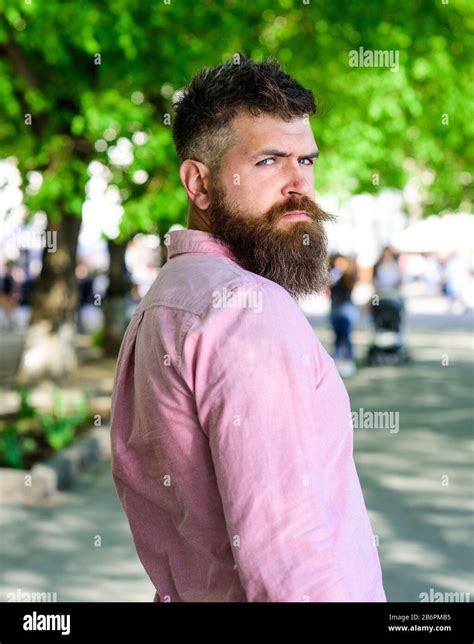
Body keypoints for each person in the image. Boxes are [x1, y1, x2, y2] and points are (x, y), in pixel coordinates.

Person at [110, 55, 386, 603]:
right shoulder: (246, 310)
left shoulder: (168, 301)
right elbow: (288, 561)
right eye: (268, 161)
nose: (298, 185)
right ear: (200, 183)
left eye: (305, 159)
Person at [329, 254, 358, 377]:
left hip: (345, 309)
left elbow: (348, 289)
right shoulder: (333, 274)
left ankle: (348, 359)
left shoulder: (349, 277)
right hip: (335, 309)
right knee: (337, 336)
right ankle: (336, 360)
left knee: (345, 335)